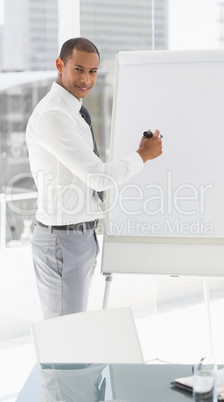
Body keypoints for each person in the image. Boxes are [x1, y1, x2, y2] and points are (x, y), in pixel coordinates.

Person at [26, 37, 162, 319]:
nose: (86, 79)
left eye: (93, 71)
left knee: (71, 329)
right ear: (60, 65)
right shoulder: (54, 116)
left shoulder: (72, 111)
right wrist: (142, 155)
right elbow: (98, 178)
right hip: (63, 240)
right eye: (79, 69)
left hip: (77, 235)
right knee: (66, 334)